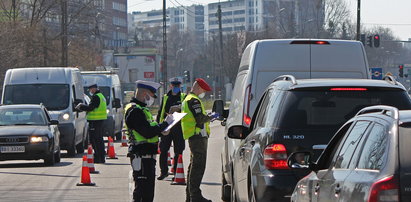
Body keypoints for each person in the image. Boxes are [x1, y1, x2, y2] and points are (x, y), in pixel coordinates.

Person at [125, 80, 174, 202]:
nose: (152, 99)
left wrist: (162, 130)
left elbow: (150, 128)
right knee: (142, 192)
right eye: (152, 95)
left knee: (147, 191)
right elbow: (146, 131)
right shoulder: (135, 110)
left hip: (146, 155)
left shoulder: (141, 109)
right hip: (141, 155)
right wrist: (164, 124)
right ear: (144, 93)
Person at [182, 78, 219, 202]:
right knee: (198, 167)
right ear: (198, 87)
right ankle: (195, 196)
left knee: (193, 167)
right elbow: (199, 118)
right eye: (203, 90)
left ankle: (190, 196)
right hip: (197, 137)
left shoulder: (187, 99)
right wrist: (211, 117)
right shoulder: (194, 100)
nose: (204, 93)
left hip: (194, 136)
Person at [156, 77, 186, 180]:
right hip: (167, 127)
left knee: (178, 151)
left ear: (180, 86)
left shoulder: (183, 97)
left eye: (177, 86)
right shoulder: (165, 97)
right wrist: (158, 126)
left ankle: (176, 172)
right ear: (171, 86)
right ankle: (163, 172)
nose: (176, 87)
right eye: (174, 86)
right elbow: (160, 112)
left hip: (178, 128)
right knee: (163, 150)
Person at [76, 84, 107, 163]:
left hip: (95, 121)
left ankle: (98, 158)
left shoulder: (96, 97)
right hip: (100, 120)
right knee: (99, 140)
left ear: (93, 89)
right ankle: (101, 157)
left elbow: (91, 108)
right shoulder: (101, 96)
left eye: (90, 90)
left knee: (95, 140)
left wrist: (81, 106)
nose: (90, 91)